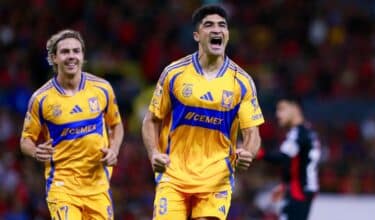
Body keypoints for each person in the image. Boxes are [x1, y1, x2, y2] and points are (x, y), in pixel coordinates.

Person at [142, 4, 264, 220]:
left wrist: (248, 152)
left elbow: (252, 132)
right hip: (174, 174)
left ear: (227, 35)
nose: (217, 30)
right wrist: (153, 153)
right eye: (209, 25)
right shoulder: (174, 73)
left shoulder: (242, 82)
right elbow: (151, 120)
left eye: (222, 26)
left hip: (216, 178)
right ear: (197, 35)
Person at [20, 29, 124, 219]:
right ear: (54, 58)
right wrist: (35, 151)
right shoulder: (41, 99)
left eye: (76, 51)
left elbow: (116, 124)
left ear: (82, 56)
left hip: (97, 186)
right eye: (65, 52)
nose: (71, 56)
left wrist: (114, 150)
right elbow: (26, 140)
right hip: (63, 187)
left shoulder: (102, 88)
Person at [257, 96, 321, 220]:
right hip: (303, 190)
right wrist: (285, 185)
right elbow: (300, 162)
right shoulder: (309, 131)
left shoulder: (298, 133)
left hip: (298, 192)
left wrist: (257, 153)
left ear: (295, 108)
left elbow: (282, 157)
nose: (278, 114)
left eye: (282, 109)